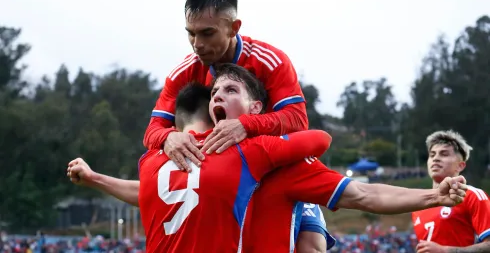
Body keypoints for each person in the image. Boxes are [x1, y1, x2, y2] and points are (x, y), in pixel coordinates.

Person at [69, 64, 468, 253]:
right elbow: (153, 192)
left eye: (230, 90)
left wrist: (432, 196)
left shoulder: (280, 161)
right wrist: (97, 178)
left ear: (257, 107)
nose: (218, 98)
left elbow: (362, 195)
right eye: (214, 94)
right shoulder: (192, 153)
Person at [144, 0, 325, 250]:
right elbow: (152, 131)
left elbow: (298, 121)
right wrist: (169, 137)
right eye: (191, 34)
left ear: (234, 28)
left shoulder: (271, 60)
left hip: (277, 169)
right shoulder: (183, 72)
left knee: (310, 246)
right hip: (225, 180)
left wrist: (245, 126)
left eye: (207, 33)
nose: (197, 44)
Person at [69, 79, 332, 252]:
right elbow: (320, 139)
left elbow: (146, 192)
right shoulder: (242, 152)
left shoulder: (150, 161)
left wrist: (95, 178)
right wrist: (249, 126)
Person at [411, 130, 490, 253]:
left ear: (460, 166)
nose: (436, 158)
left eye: (444, 154)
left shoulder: (472, 196)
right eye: (432, 155)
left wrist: (446, 251)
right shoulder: (419, 204)